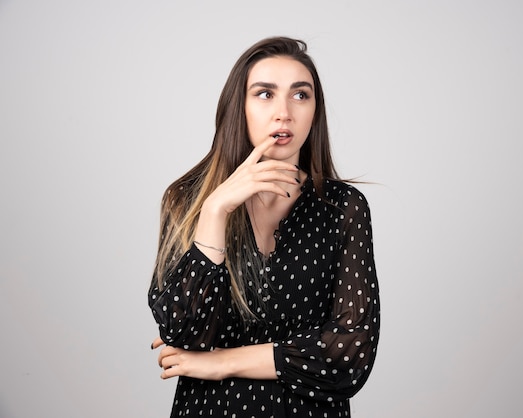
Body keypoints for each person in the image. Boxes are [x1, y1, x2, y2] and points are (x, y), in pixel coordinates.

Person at [148, 36, 381, 417]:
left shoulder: (343, 208)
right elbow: (181, 331)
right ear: (238, 107)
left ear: (314, 111)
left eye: (300, 95)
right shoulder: (187, 200)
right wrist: (216, 210)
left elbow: (348, 356)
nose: (284, 113)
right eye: (264, 94)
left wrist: (222, 361)